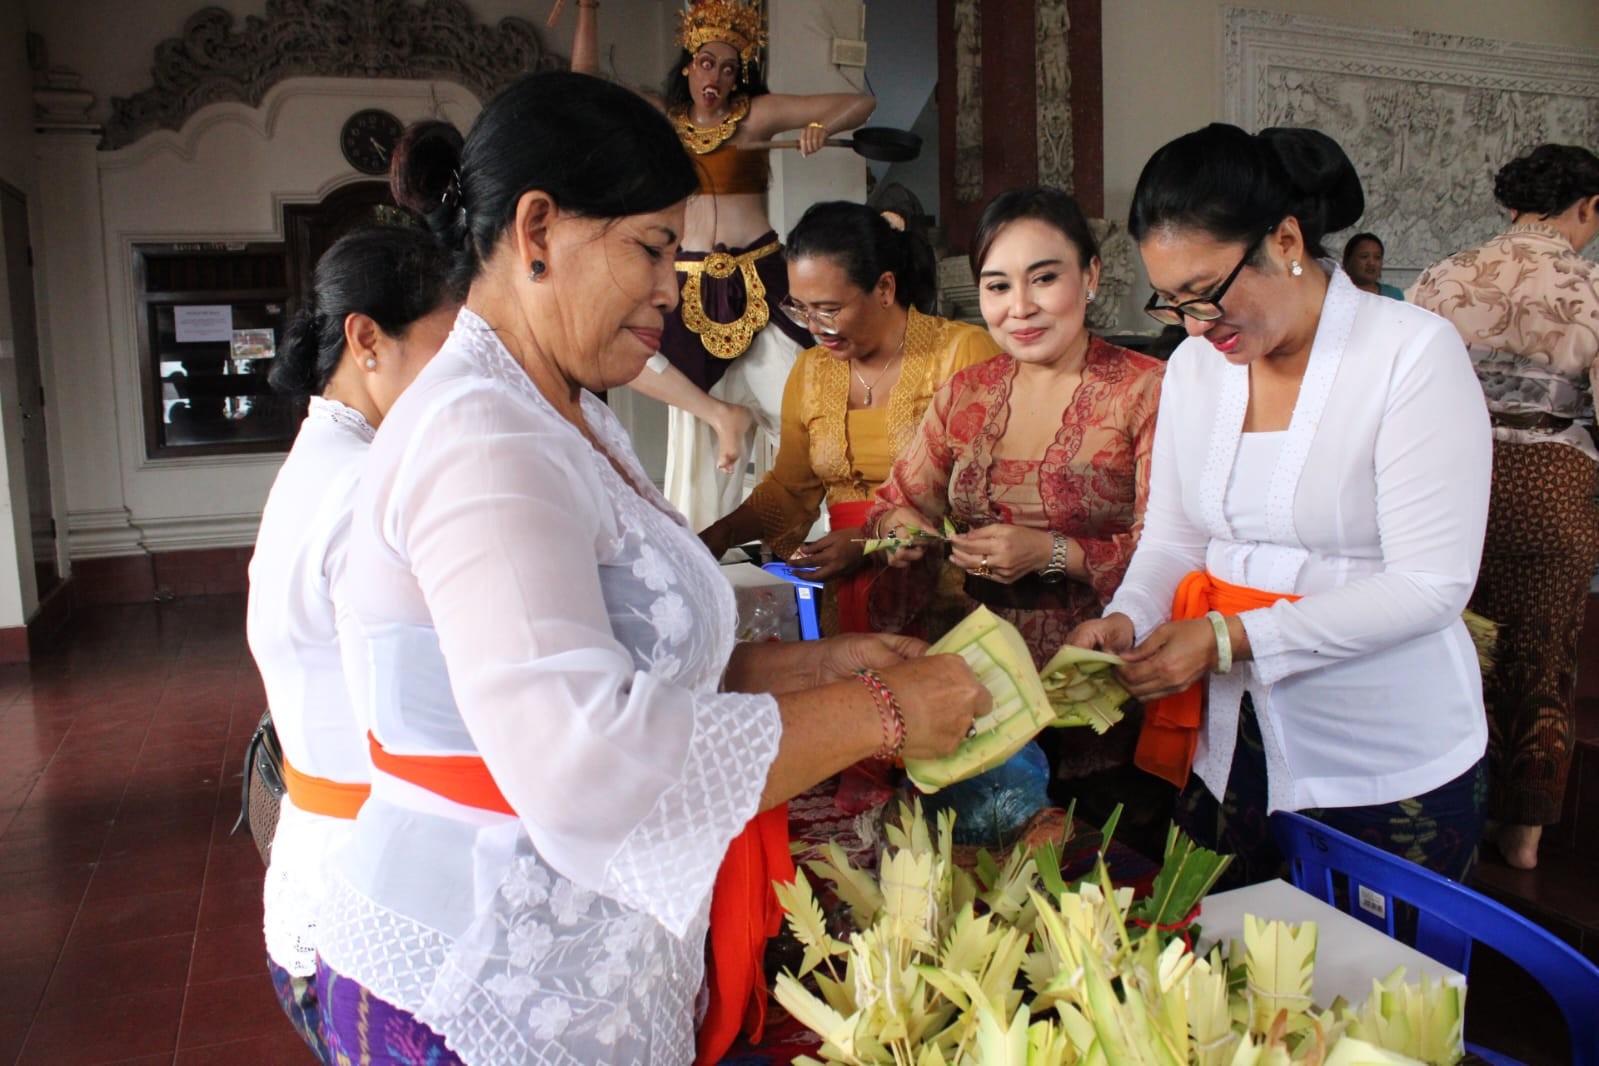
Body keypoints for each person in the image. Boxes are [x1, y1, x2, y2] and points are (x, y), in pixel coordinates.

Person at [310, 71, 986, 1066]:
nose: (675, 288)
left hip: (580, 958)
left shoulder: (562, 411)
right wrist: (884, 716)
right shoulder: (480, 435)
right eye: (654, 248)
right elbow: (585, 755)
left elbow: (620, 665)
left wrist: (824, 667)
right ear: (538, 230)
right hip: (480, 974)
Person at [1068, 124, 1492, 889]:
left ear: (1286, 239)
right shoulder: (1196, 369)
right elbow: (1174, 536)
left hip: (1379, 757)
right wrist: (1130, 612)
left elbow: (1430, 585)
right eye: (1172, 304)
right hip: (1228, 744)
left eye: (1207, 295)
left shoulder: (1410, 354)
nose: (1196, 326)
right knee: (1223, 985)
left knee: (1375, 997)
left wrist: (1229, 637)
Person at [866, 187, 1165, 839]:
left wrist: (1050, 553)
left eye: (1044, 279)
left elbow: (1170, 548)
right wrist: (905, 537)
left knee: (1093, 894)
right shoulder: (967, 393)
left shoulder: (1144, 390)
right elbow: (896, 505)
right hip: (978, 692)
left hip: (1097, 691)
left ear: (1088, 276)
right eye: (997, 286)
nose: (1019, 307)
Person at [245, 222, 458, 1057]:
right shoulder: (365, 490)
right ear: (366, 339)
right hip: (363, 892)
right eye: (446, 352)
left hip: (327, 861)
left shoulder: (330, 459)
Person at [570, 0, 876, 530]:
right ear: (689, 64)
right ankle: (710, 572)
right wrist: (588, 9)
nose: (718, 77)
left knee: (810, 417)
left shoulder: (755, 116)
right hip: (687, 286)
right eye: (708, 62)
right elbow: (583, 87)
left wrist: (821, 129)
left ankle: (835, 543)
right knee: (699, 452)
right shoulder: (660, 123)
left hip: (761, 279)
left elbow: (861, 101)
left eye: (731, 68)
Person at [1409, 143, 1599, 870]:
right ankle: (1522, 833)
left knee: (1449, 644)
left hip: (1445, 479)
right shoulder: (1585, 288)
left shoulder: (1441, 277)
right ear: (1585, 206)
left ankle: (1446, 805)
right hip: (1548, 485)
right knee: (1540, 655)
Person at [698, 202, 1001, 635]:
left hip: (950, 595)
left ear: (884, 288)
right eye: (802, 309)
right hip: (848, 595)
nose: (816, 328)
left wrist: (867, 541)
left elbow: (989, 500)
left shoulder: (961, 354)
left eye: (829, 308)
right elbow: (790, 491)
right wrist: (722, 533)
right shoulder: (811, 371)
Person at [1342, 232, 1404, 299]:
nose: (1371, 263)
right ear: (1347, 261)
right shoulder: (1336, 293)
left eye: (1377, 257)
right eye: (1364, 256)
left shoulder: (1394, 295)